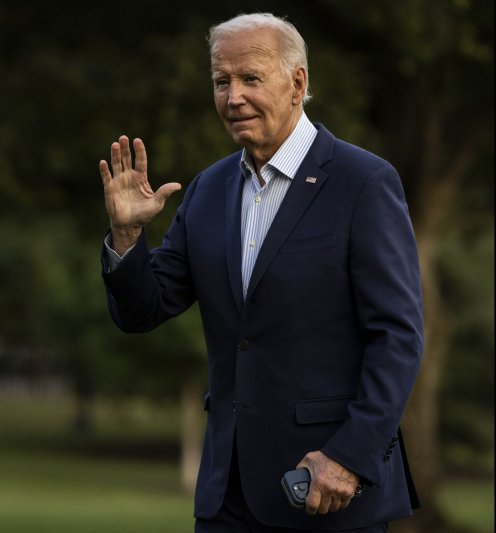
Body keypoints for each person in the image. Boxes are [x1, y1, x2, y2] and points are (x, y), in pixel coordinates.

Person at [98, 12, 423, 533]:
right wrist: (127, 237)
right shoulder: (207, 190)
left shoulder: (363, 182)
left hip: (327, 488)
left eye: (250, 79)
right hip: (227, 496)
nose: (233, 97)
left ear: (298, 83)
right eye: (221, 82)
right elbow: (142, 310)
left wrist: (350, 457)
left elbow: (398, 337)